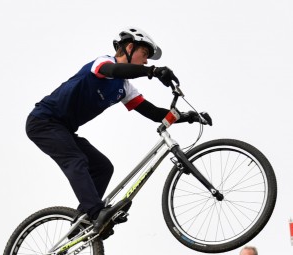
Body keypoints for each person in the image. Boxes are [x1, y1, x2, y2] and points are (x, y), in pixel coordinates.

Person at [26, 28, 208, 234]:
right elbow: (114, 71)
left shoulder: (124, 88)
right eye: (145, 55)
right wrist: (153, 72)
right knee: (76, 160)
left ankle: (83, 220)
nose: (146, 61)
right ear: (129, 47)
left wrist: (189, 117)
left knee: (103, 167)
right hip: (43, 122)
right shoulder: (102, 63)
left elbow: (154, 113)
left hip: (64, 130)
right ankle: (96, 212)